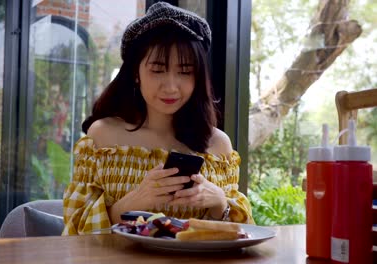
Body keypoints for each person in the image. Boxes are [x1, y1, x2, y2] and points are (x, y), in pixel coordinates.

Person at [62, 2, 254, 235]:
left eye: (185, 71)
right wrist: (131, 202)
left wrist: (219, 203)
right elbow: (74, 229)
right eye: (157, 69)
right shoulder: (103, 137)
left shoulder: (217, 145)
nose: (171, 86)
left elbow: (242, 236)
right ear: (135, 72)